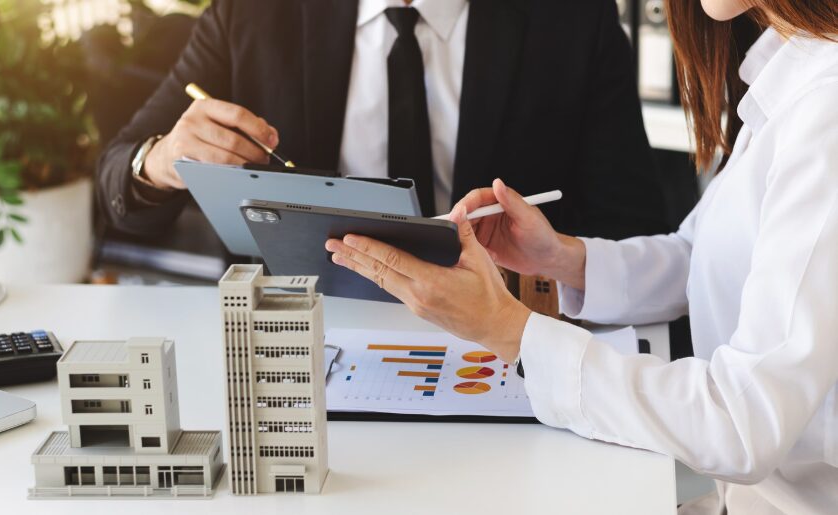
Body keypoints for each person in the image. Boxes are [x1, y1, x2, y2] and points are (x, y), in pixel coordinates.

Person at [326, 1, 838, 513]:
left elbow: (741, 423)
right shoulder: (792, 69)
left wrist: (509, 329)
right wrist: (560, 257)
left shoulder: (825, 108)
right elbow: (698, 255)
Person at [97, 0, 669, 242]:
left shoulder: (571, 19)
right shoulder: (254, 13)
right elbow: (118, 183)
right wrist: (162, 161)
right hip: (304, 340)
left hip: (504, 344)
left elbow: (633, 226)